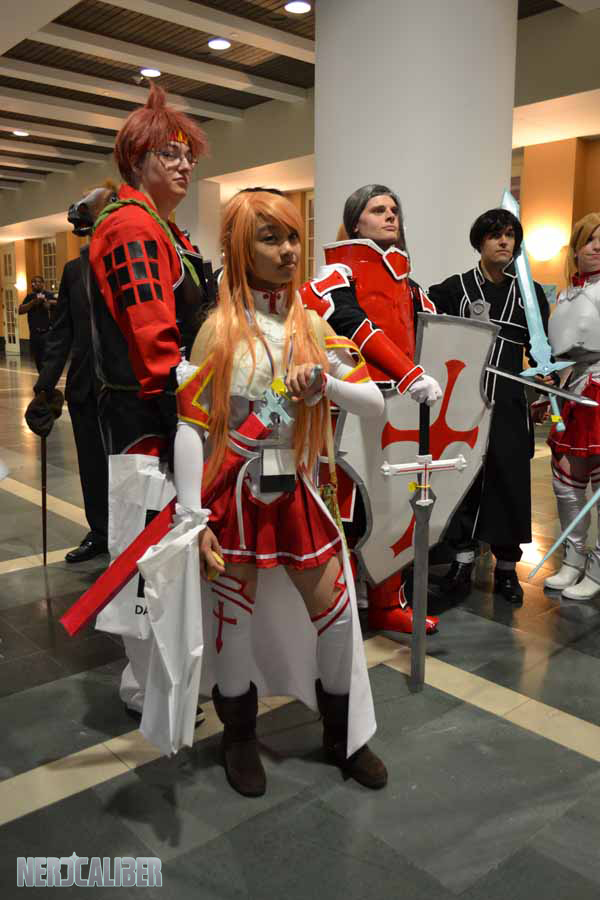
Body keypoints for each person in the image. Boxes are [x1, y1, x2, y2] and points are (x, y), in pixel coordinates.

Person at [173, 189, 388, 796]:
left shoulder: (313, 326)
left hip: (300, 486)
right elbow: (191, 429)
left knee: (339, 617)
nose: (289, 250)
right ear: (241, 250)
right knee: (232, 621)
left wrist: (325, 384)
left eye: (293, 236)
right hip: (236, 491)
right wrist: (193, 517)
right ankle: (239, 737)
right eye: (270, 238)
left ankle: (342, 735)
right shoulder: (217, 333)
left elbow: (373, 403)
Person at [87, 84, 212, 718]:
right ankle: (147, 683)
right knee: (145, 553)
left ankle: (161, 679)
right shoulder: (132, 226)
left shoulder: (159, 227)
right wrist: (185, 411)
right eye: (170, 153)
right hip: (148, 418)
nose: (185, 164)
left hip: (163, 414)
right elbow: (153, 338)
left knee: (162, 550)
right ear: (137, 160)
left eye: (189, 154)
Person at [300, 184, 442, 634]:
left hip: (400, 408)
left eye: (393, 209)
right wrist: (408, 373)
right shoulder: (335, 276)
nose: (390, 215)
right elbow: (351, 323)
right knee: (340, 509)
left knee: (395, 506)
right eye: (378, 209)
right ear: (355, 221)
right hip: (348, 407)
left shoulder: (409, 284)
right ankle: (333, 604)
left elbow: (434, 331)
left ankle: (386, 603)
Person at [428, 208, 549, 604]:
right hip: (464, 401)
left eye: (510, 235)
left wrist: (546, 380)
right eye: (496, 235)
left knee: (510, 483)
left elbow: (541, 351)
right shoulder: (454, 289)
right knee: (464, 481)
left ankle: (507, 570)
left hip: (511, 403)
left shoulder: (529, 295)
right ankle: (462, 563)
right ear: (480, 241)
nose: (504, 242)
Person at [31, 253, 109, 563]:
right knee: (92, 466)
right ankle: (101, 532)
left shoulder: (133, 258)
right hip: (85, 386)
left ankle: (135, 535)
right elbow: (62, 331)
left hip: (129, 391)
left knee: (130, 468)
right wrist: (44, 386)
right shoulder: (75, 270)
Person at [544, 213, 600, 599]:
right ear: (576, 248)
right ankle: (573, 558)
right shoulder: (565, 295)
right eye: (591, 240)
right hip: (572, 389)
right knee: (566, 481)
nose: (598, 247)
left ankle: (597, 568)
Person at [18, 276, 57, 372]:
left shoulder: (49, 294)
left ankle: (48, 379)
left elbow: (60, 302)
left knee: (48, 359)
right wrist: (33, 303)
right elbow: (20, 310)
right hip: (34, 334)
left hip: (47, 332)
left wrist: (48, 302)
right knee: (38, 360)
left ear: (43, 283)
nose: (36, 284)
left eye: (38, 282)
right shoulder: (30, 296)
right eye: (34, 282)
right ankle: (42, 378)